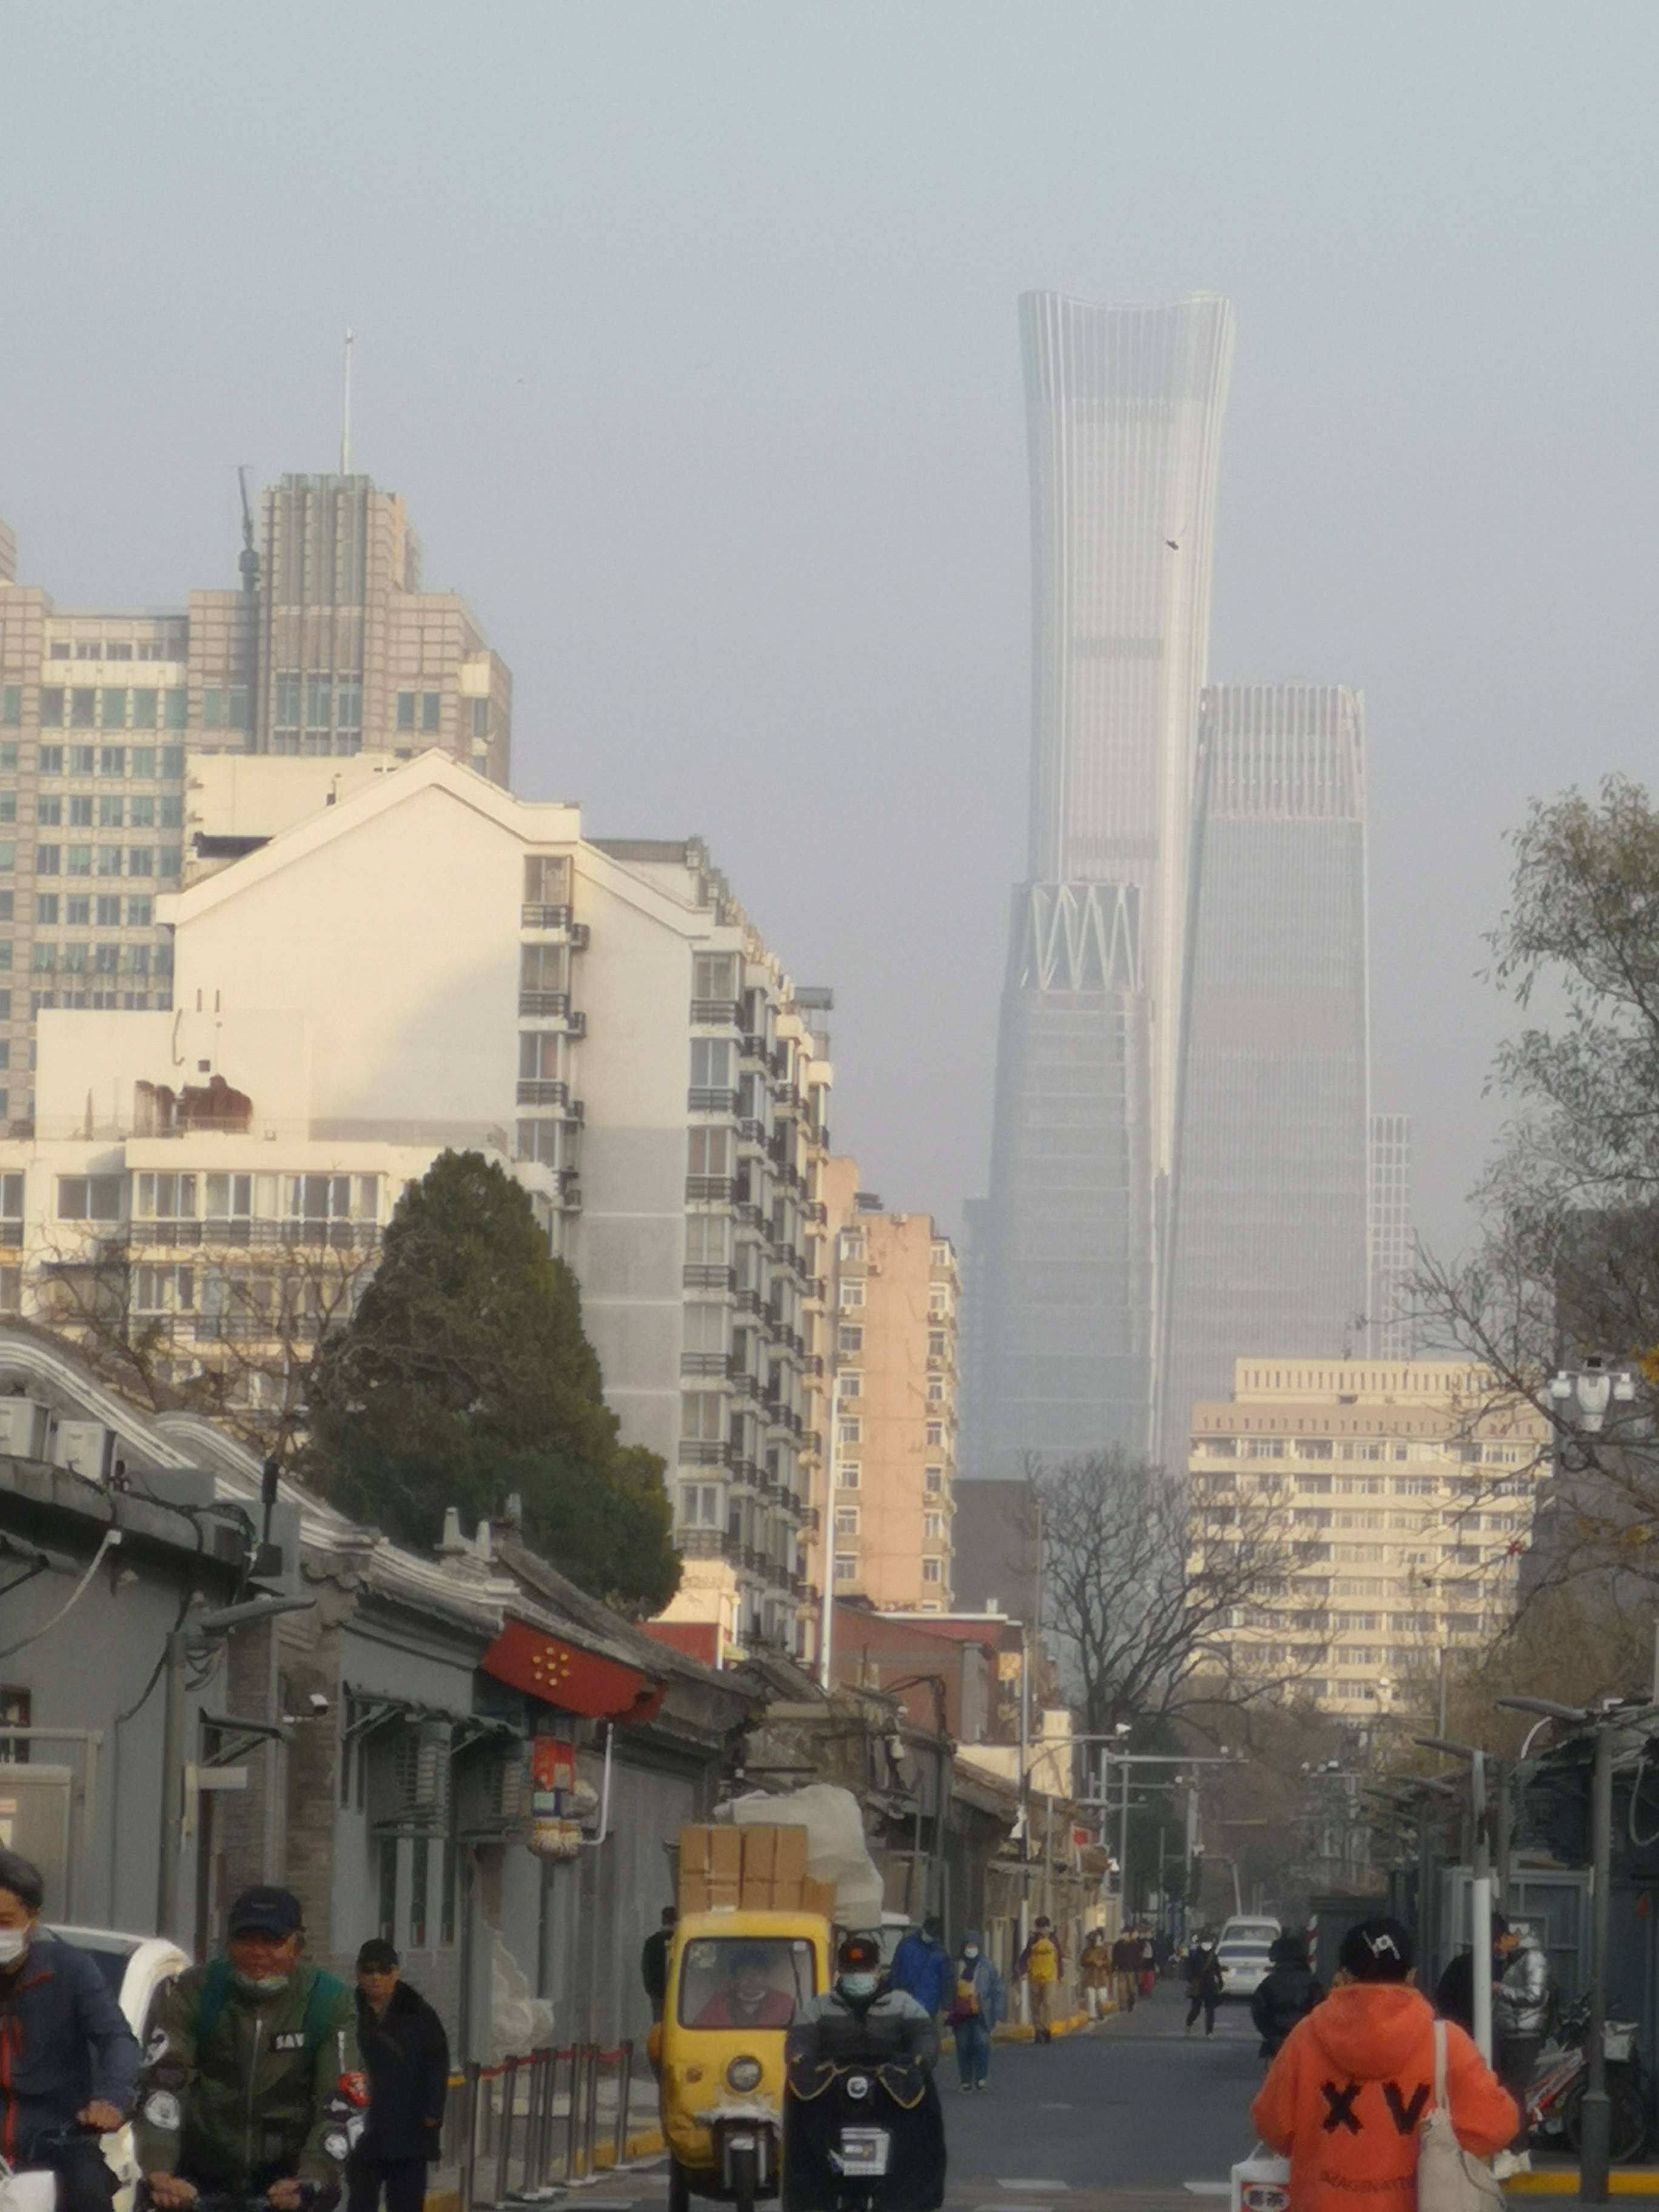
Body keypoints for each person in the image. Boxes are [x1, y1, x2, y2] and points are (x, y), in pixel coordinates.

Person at [1252, 1916, 1517, 2212]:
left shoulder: (1305, 2039)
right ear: (1412, 1976)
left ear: (1344, 1976)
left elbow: (1273, 2127)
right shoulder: (1447, 2044)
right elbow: (1496, 2127)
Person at [136, 1883, 363, 2212]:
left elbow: (339, 2103)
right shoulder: (196, 1989)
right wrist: (159, 2169)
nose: (257, 1952)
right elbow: (164, 2080)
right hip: (199, 2174)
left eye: (272, 1941)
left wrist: (313, 2177)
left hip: (289, 2177)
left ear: (297, 1946)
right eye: (246, 1939)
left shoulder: (329, 2002)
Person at [0, 1846, 138, 2212]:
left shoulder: (71, 1970)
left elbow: (116, 2039)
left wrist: (111, 2098)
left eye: (4, 1922)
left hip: (58, 2139)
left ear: (32, 1918)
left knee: (89, 2191)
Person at [785, 1933, 944, 2210]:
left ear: (877, 1970)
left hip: (892, 2088)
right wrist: (800, 2059)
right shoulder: (818, 2008)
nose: (857, 1975)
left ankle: (915, 2197)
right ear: (840, 1971)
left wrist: (920, 2060)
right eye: (850, 1969)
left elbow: (925, 2035)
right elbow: (800, 2039)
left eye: (864, 1968)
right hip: (831, 2089)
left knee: (925, 2113)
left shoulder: (903, 2004)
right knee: (798, 2104)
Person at [347, 1940, 449, 2212]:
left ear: (396, 1973)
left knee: (406, 2203)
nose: (376, 1977)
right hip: (363, 2128)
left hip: (409, 2130)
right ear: (358, 1973)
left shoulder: (418, 2012)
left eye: (384, 1970)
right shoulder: (348, 2010)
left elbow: (437, 2064)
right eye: (368, 1970)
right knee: (360, 2202)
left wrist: (432, 2114)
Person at [1250, 1930, 1322, 2060]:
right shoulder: (1312, 1983)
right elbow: (1321, 2010)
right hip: (1305, 2040)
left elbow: (1258, 2012)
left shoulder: (1269, 1983)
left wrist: (1271, 2035)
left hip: (1276, 2042)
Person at [946, 1932, 1002, 2091]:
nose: (971, 1949)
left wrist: (997, 2011)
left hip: (981, 2013)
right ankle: (966, 2080)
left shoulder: (987, 1966)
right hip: (960, 2013)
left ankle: (981, 2077)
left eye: (974, 1945)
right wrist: (947, 2007)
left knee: (981, 2044)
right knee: (963, 2046)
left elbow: (997, 1990)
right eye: (968, 1946)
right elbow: (948, 1988)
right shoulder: (955, 1966)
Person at [690, 1945, 796, 2028]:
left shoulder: (784, 2003)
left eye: (757, 1974)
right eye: (744, 1974)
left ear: (766, 1976)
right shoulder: (719, 2003)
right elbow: (699, 2033)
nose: (752, 1980)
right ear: (735, 1978)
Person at [889, 1917, 953, 2020]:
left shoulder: (940, 1954)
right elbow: (895, 1973)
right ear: (923, 1929)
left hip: (927, 2009)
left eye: (933, 1934)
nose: (930, 1936)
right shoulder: (906, 1946)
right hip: (907, 2006)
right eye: (929, 1932)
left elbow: (947, 1981)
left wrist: (946, 2007)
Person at [1016, 1917, 1064, 2043]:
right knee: (1035, 2005)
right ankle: (1038, 2030)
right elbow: (1025, 1955)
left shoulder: (1054, 1939)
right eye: (1040, 1927)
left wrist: (1060, 1975)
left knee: (1048, 2003)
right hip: (1035, 1976)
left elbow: (1059, 1957)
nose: (1042, 1929)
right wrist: (1022, 1970)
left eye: (1044, 1926)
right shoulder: (1033, 1940)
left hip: (1050, 1977)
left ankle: (1047, 2029)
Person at [1183, 1935, 1224, 2037]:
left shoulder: (1213, 1956)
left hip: (1210, 1985)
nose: (1207, 1945)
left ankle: (1210, 2032)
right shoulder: (1194, 1955)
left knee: (1210, 2010)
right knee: (1196, 2010)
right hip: (1198, 1985)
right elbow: (1188, 1971)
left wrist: (1220, 1981)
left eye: (1209, 1942)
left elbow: (1217, 1970)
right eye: (1205, 1942)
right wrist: (1192, 1981)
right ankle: (1189, 2024)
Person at [640, 1908, 677, 2022]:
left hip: (658, 1992)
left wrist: (652, 1990)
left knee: (660, 2023)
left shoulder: (652, 1942)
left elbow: (646, 1968)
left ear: (663, 1920)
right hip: (679, 1993)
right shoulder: (681, 1940)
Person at [1079, 1928, 1114, 2022]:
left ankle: (1100, 2010)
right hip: (1090, 1977)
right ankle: (1092, 2016)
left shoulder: (1103, 1951)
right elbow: (1082, 1962)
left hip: (1100, 1977)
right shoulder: (1087, 1951)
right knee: (1091, 1998)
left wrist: (1103, 1964)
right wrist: (1092, 1962)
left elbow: (1108, 1963)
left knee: (1102, 1997)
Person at [1110, 1927, 1141, 2014]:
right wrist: (1113, 1969)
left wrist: (1138, 1970)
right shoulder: (1118, 1945)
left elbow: (1138, 1958)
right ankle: (1123, 2006)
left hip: (1131, 1970)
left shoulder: (1135, 1945)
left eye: (1126, 1934)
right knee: (1122, 1988)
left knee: (1130, 1989)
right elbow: (1114, 1957)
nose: (1125, 1936)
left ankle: (1131, 2001)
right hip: (1121, 1969)